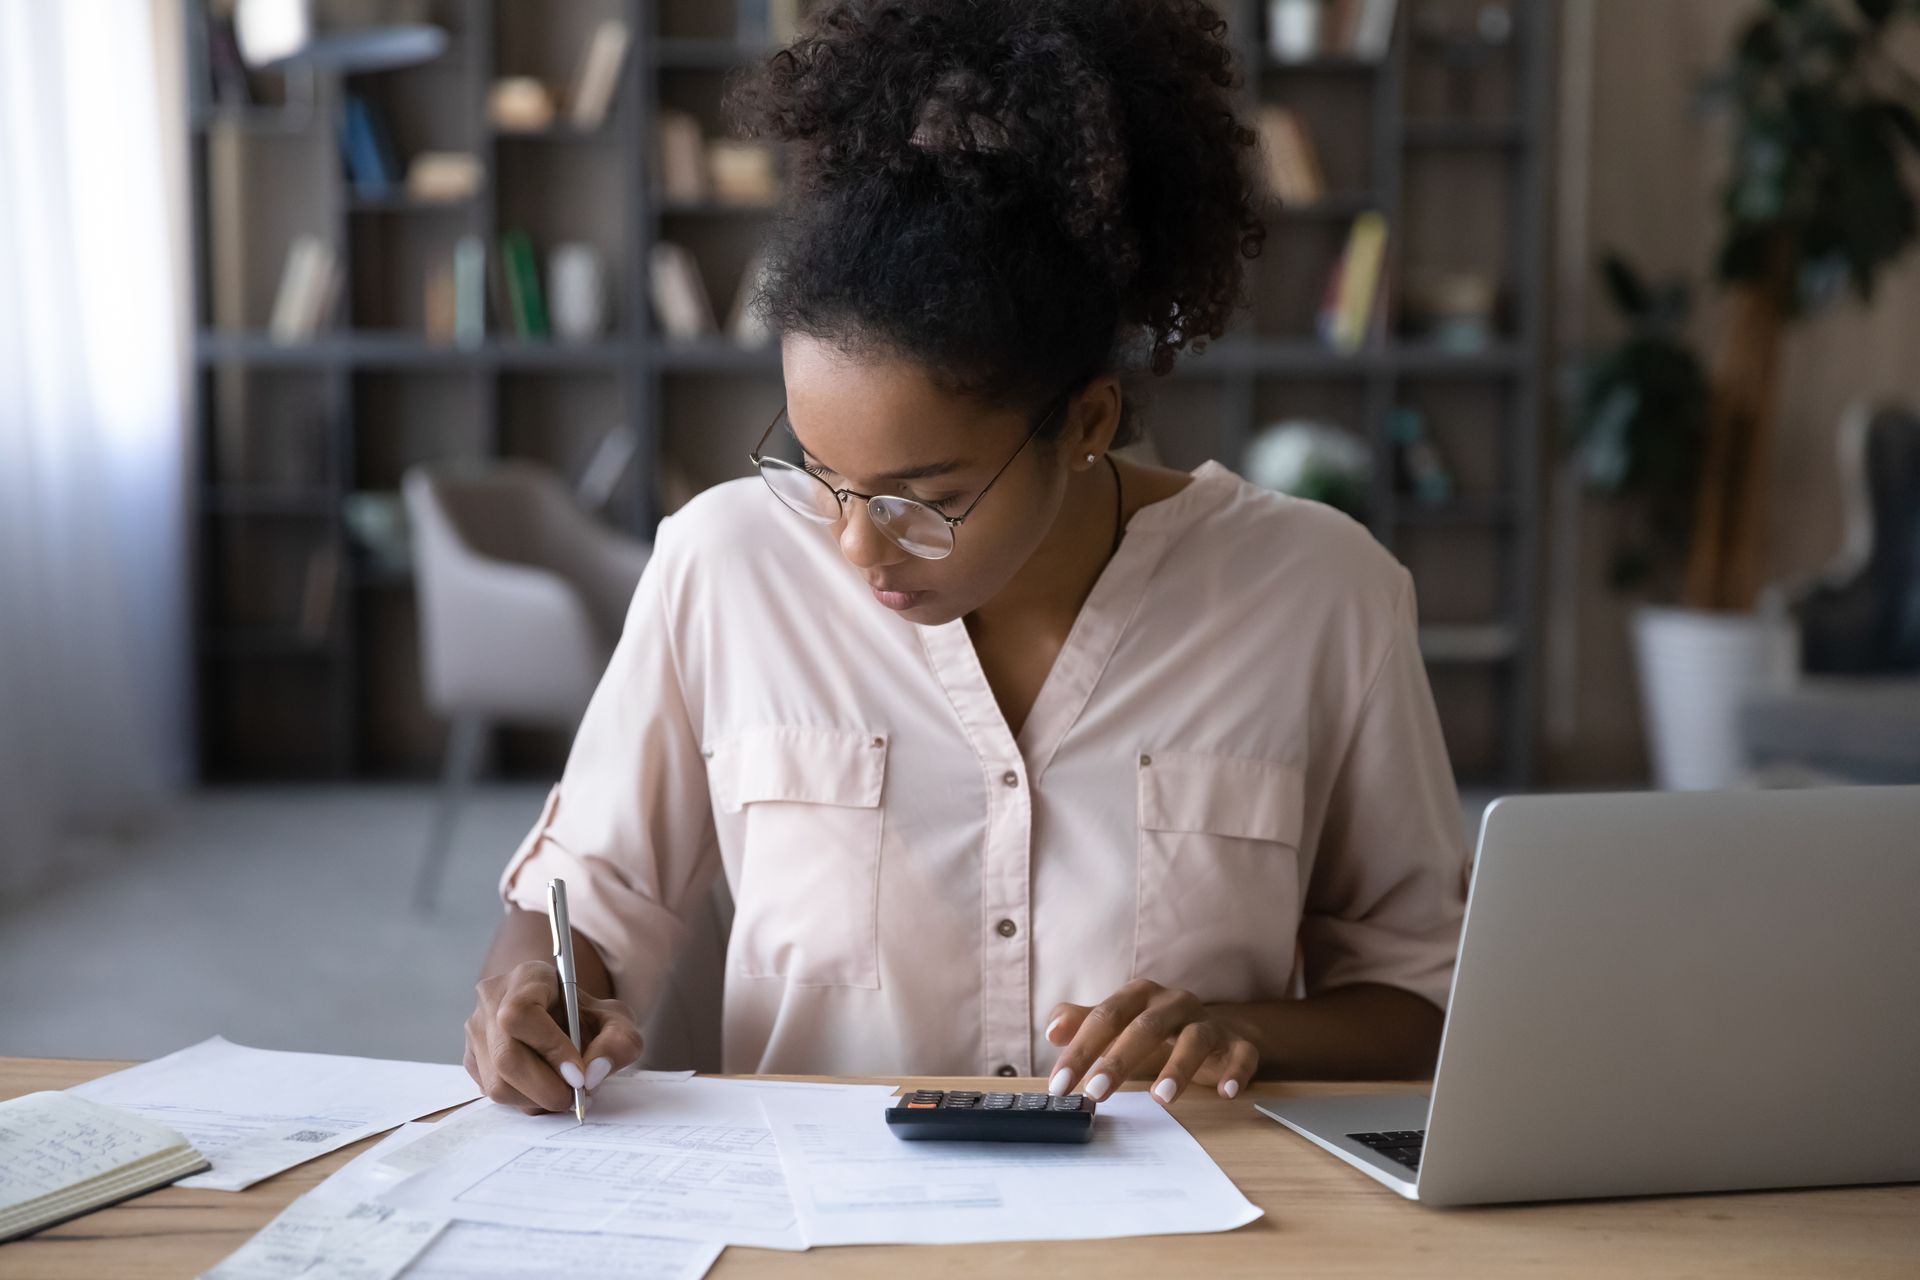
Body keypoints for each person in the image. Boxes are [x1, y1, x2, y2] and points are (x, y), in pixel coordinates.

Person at [463, 0, 1468, 1115]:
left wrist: (1246, 1030)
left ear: (1086, 423)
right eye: (823, 472)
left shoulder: (1322, 596)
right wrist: (532, 990)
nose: (854, 544)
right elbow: (584, 899)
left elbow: (1425, 999)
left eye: (925, 499)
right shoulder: (723, 565)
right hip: (820, 1228)